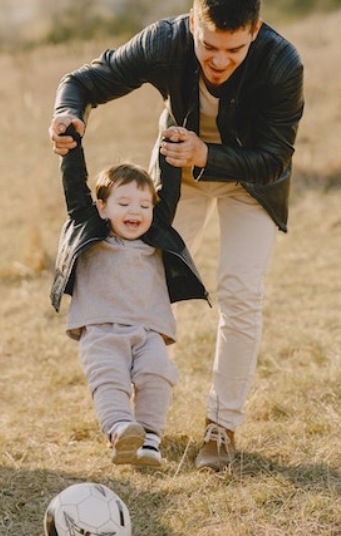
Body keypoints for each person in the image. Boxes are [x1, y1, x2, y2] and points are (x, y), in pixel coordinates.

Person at [49, 0, 304, 471]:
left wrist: (206, 152)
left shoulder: (282, 62)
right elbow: (83, 81)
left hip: (252, 184)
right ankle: (128, 417)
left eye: (235, 48)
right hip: (174, 179)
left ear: (256, 31)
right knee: (143, 278)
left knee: (239, 292)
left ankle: (221, 426)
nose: (220, 60)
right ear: (191, 23)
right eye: (208, 46)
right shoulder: (164, 41)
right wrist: (69, 115)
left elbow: (275, 158)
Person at [51, 125, 208, 467]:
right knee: (110, 379)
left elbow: (170, 188)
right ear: (102, 207)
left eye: (143, 205)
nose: (135, 212)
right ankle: (121, 431)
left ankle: (150, 438)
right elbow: (74, 187)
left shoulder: (156, 236)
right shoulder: (90, 229)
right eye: (123, 203)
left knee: (156, 375)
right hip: (101, 329)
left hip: (149, 329)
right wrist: (71, 146)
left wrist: (171, 144)